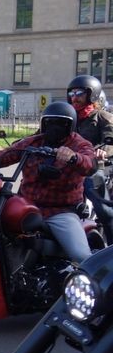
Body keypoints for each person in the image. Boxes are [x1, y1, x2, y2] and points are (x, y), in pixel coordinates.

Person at [0, 102, 94, 264]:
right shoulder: (32, 143)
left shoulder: (79, 145)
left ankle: (95, 285)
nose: (54, 128)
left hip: (60, 211)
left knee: (82, 256)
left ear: (71, 125)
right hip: (26, 205)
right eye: (50, 123)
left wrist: (74, 157)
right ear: (43, 124)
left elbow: (90, 164)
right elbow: (1, 157)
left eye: (61, 123)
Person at [67, 75, 113, 243]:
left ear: (91, 95)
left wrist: (104, 152)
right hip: (70, 165)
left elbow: (110, 141)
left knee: (104, 209)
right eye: (72, 93)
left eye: (79, 92)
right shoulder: (69, 118)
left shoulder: (102, 117)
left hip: (95, 166)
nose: (74, 97)